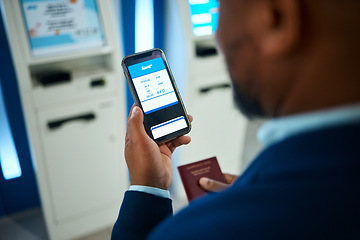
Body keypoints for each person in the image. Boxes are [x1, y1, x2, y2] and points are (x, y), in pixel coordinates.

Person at [112, 0, 360, 239]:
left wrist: (147, 188)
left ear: (277, 17)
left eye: (221, 9)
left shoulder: (199, 231)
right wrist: (256, 193)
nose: (218, 36)